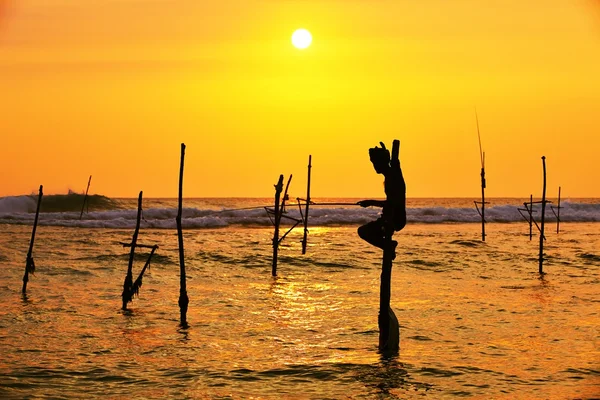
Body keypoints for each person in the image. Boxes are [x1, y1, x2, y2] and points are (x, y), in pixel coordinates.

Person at [357, 141, 406, 259]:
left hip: (394, 219)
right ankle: (388, 246)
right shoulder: (391, 174)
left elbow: (392, 203)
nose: (374, 166)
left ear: (381, 162)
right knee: (366, 231)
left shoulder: (393, 177)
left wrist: (370, 202)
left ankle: (388, 246)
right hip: (390, 217)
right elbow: (395, 162)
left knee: (363, 231)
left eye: (375, 163)